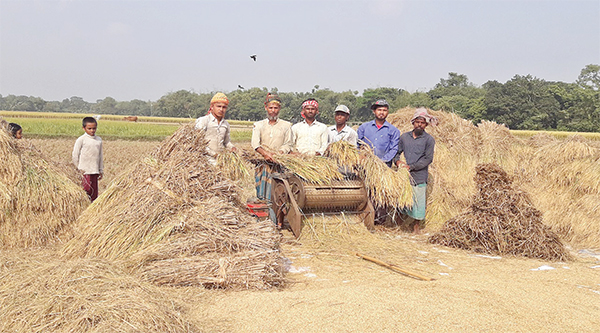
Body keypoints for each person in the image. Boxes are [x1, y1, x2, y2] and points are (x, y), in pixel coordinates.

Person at [393, 107, 437, 233]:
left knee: (418, 201)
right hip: (404, 175)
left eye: (423, 123)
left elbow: (428, 159)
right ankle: (399, 225)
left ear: (426, 125)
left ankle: (416, 226)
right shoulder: (404, 137)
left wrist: (411, 167)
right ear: (413, 122)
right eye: (417, 122)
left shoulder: (429, 140)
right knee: (402, 199)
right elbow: (397, 153)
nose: (419, 124)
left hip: (419, 175)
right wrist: (398, 161)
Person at [357, 99, 400, 224]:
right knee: (365, 192)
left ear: (387, 112)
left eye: (384, 110)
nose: (382, 112)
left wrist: (382, 161)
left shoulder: (393, 130)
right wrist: (361, 157)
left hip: (383, 167)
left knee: (380, 194)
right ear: (374, 111)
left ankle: (379, 221)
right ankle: (363, 219)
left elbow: (394, 149)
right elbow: (357, 145)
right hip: (365, 167)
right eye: (379, 110)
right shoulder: (364, 128)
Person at [251, 93, 293, 204]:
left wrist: (278, 153)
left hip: (278, 164)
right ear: (266, 108)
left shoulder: (286, 125)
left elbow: (288, 144)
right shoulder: (258, 125)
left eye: (275, 108)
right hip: (262, 164)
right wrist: (265, 154)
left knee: (277, 194)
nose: (273, 110)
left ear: (279, 109)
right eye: (270, 108)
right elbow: (255, 144)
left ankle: (276, 219)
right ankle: (263, 214)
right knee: (261, 192)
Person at [194, 92, 236, 158]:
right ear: (212, 107)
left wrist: (232, 148)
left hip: (220, 158)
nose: (221, 109)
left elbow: (226, 142)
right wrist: (213, 154)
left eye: (224, 107)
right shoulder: (204, 121)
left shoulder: (225, 124)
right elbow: (198, 142)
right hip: (205, 158)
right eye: (218, 106)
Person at [72, 117, 103, 202]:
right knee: (86, 190)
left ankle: (91, 208)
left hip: (94, 170)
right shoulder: (81, 139)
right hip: (84, 170)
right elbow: (75, 155)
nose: (92, 130)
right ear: (84, 128)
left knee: (94, 192)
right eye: (89, 128)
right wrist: (77, 168)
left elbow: (100, 156)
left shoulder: (98, 140)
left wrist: (101, 170)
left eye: (94, 128)